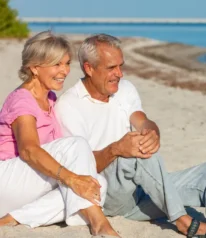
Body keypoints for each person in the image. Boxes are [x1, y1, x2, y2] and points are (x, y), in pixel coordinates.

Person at [4, 33, 206, 238]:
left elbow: (142, 121)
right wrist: (116, 150)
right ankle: (179, 219)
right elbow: (78, 164)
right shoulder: (67, 105)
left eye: (121, 66)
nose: (119, 74)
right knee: (132, 155)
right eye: (111, 68)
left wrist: (152, 133)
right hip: (105, 187)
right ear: (89, 68)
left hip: (144, 188)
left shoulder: (119, 89)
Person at [0, 31, 120, 237]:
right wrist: (71, 179)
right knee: (75, 147)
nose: (64, 71)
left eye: (66, 63)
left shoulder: (50, 98)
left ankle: (13, 218)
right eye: (56, 64)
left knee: (96, 182)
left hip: (28, 185)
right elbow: (28, 150)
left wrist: (77, 179)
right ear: (35, 68)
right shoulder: (22, 100)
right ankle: (101, 225)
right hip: (7, 179)